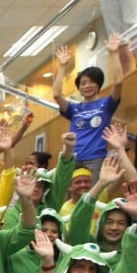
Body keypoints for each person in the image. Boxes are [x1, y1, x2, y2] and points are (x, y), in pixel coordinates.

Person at [53, 35, 124, 178]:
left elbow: (119, 82)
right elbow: (56, 95)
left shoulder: (106, 105)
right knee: (70, 199)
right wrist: (62, 67)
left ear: (99, 84)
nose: (87, 86)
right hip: (72, 158)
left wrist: (115, 53)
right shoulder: (74, 109)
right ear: (78, 87)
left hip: (96, 159)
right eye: (83, 83)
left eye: (91, 82)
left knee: (92, 198)